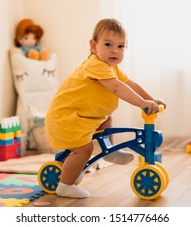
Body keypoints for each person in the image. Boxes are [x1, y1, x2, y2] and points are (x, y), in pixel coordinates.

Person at [45, 18, 166, 198]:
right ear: (94, 46)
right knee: (84, 150)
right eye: (108, 44)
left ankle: (109, 150)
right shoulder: (95, 65)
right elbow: (118, 88)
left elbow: (129, 83)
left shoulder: (113, 68)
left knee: (107, 118)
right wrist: (141, 103)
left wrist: (150, 99)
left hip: (86, 116)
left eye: (120, 46)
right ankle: (65, 185)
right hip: (67, 118)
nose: (114, 51)